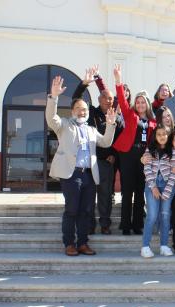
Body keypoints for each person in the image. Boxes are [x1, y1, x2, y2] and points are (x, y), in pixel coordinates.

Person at [46, 76, 116, 256]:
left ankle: (83, 243)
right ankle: (69, 243)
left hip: (89, 175)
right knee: (72, 210)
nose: (82, 112)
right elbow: (51, 118)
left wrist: (110, 124)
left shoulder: (92, 130)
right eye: (78, 109)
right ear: (72, 111)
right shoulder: (64, 125)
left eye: (84, 109)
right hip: (71, 175)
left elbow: (107, 142)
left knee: (86, 211)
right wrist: (53, 97)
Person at [72, 66, 124, 235]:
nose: (109, 101)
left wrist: (113, 156)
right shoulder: (90, 112)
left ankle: (105, 224)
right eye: (105, 98)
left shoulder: (115, 116)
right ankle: (89, 224)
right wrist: (85, 83)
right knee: (88, 195)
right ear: (99, 99)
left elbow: (118, 140)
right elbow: (76, 98)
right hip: (89, 161)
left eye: (111, 99)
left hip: (105, 162)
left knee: (105, 195)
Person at [112, 64, 157, 235]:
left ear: (147, 104)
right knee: (127, 191)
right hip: (128, 156)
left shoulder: (153, 122)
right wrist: (118, 80)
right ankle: (125, 225)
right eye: (137, 102)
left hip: (144, 158)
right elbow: (123, 100)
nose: (139, 104)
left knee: (140, 192)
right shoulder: (130, 115)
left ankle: (137, 224)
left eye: (142, 102)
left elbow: (154, 142)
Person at [141, 125, 175, 258]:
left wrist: (167, 191)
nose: (162, 136)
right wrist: (153, 187)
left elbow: (174, 172)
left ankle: (164, 246)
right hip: (152, 185)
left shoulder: (174, 151)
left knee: (165, 215)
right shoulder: (149, 150)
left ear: (168, 136)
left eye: (164, 134)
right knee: (152, 215)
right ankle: (145, 246)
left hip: (168, 185)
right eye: (159, 134)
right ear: (155, 136)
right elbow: (147, 169)